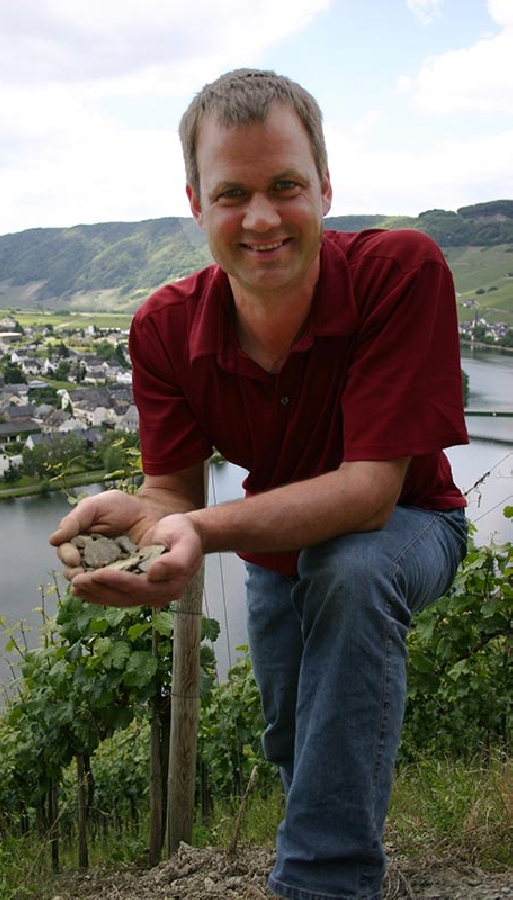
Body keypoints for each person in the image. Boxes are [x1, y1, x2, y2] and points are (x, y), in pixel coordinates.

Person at [50, 68, 469, 900]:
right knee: (295, 739)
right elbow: (173, 494)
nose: (262, 217)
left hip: (414, 526)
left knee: (350, 570)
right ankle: (324, 842)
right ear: (197, 203)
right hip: (279, 553)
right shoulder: (163, 328)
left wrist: (200, 533)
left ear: (325, 185)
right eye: (232, 193)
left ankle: (324, 883)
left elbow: (370, 494)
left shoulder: (399, 269)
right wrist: (145, 522)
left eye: (286, 186)